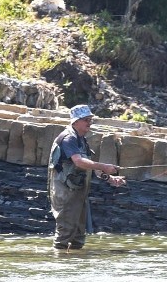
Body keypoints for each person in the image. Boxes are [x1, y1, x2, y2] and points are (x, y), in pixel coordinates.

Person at [47, 104, 126, 250]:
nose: (89, 123)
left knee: (78, 236)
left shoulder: (81, 139)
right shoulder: (68, 138)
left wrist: (110, 179)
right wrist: (104, 166)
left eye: (90, 119)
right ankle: (57, 266)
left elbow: (90, 167)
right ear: (75, 121)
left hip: (77, 193)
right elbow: (79, 161)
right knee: (64, 234)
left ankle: (77, 267)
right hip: (65, 193)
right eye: (86, 120)